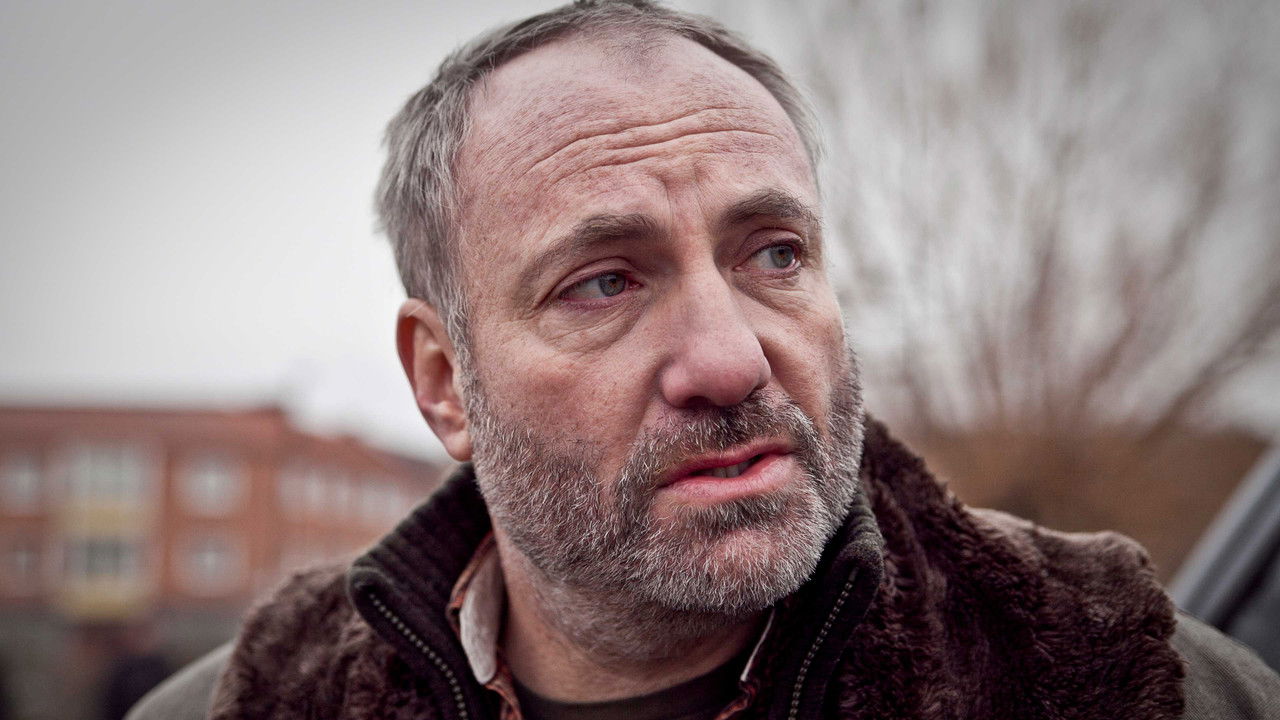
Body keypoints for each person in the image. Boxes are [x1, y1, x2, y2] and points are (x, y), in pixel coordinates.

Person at [129, 1, 1280, 718]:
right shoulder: (242, 708)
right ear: (443, 382)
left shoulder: (1134, 688)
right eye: (603, 282)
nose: (729, 364)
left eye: (774, 254)